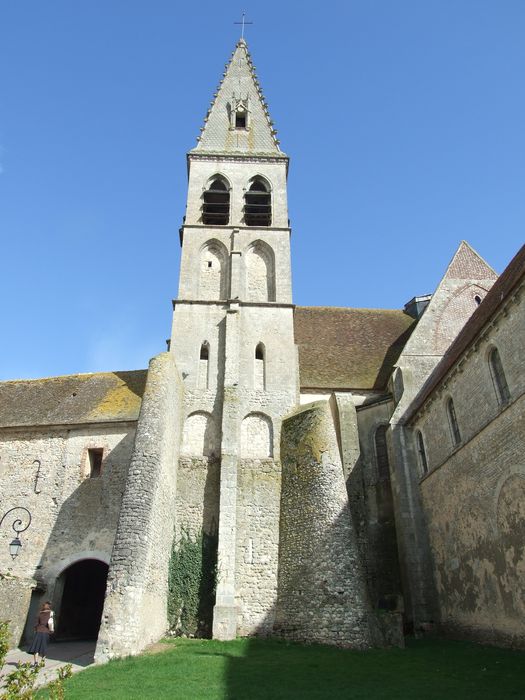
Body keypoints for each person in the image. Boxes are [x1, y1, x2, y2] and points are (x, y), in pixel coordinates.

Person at [28, 601, 53, 666]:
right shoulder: (51, 613)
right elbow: (51, 622)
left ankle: (36, 663)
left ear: (43, 606)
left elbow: (36, 623)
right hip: (46, 632)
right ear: (49, 607)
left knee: (36, 648)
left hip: (38, 631)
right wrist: (51, 630)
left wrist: (36, 629)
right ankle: (42, 661)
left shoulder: (40, 613)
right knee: (44, 647)